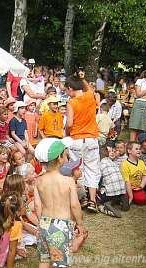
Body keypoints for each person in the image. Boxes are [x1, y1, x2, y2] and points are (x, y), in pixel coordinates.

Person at [34, 138, 86, 268]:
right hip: (61, 225)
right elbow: (74, 205)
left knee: (44, 260)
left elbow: (37, 205)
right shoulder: (68, 181)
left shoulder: (38, 181)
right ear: (59, 157)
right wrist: (79, 224)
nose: (66, 155)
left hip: (44, 223)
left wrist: (41, 223)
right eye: (65, 153)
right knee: (62, 264)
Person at [65, 76, 100, 212]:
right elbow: (87, 88)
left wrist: (66, 132)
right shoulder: (90, 96)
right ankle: (92, 200)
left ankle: (82, 197)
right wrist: (82, 78)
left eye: (67, 90)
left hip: (77, 139)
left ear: (70, 88)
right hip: (91, 139)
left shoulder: (71, 103)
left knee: (77, 169)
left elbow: (69, 124)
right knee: (92, 169)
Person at [99, 145, 129, 214]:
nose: (112, 153)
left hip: (109, 193)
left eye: (113, 151)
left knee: (100, 192)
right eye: (109, 151)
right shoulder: (115, 163)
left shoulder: (101, 163)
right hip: (122, 190)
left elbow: (99, 178)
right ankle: (119, 200)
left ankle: (107, 203)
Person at [129, 68, 146, 141]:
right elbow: (138, 94)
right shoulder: (140, 81)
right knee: (134, 126)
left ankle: (139, 145)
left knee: (142, 127)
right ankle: (132, 144)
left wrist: (141, 95)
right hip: (138, 105)